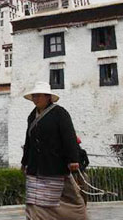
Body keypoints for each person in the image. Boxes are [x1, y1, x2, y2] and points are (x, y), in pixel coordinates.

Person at [21, 81, 87, 220]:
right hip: (35, 167)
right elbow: (29, 141)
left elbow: (68, 137)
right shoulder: (32, 116)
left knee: (67, 201)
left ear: (48, 97)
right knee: (34, 201)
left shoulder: (60, 113)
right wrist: (24, 162)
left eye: (39, 96)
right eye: (34, 96)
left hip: (55, 165)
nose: (36, 99)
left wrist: (73, 159)